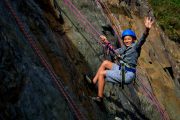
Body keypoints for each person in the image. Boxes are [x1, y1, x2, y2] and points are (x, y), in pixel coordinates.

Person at [86, 17, 154, 102]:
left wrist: (147, 30)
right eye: (125, 39)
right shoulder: (123, 48)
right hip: (121, 69)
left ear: (133, 40)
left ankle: (100, 98)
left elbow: (142, 39)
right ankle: (93, 83)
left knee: (102, 74)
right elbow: (112, 52)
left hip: (127, 74)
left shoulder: (136, 47)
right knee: (105, 63)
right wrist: (106, 42)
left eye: (129, 39)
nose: (127, 41)